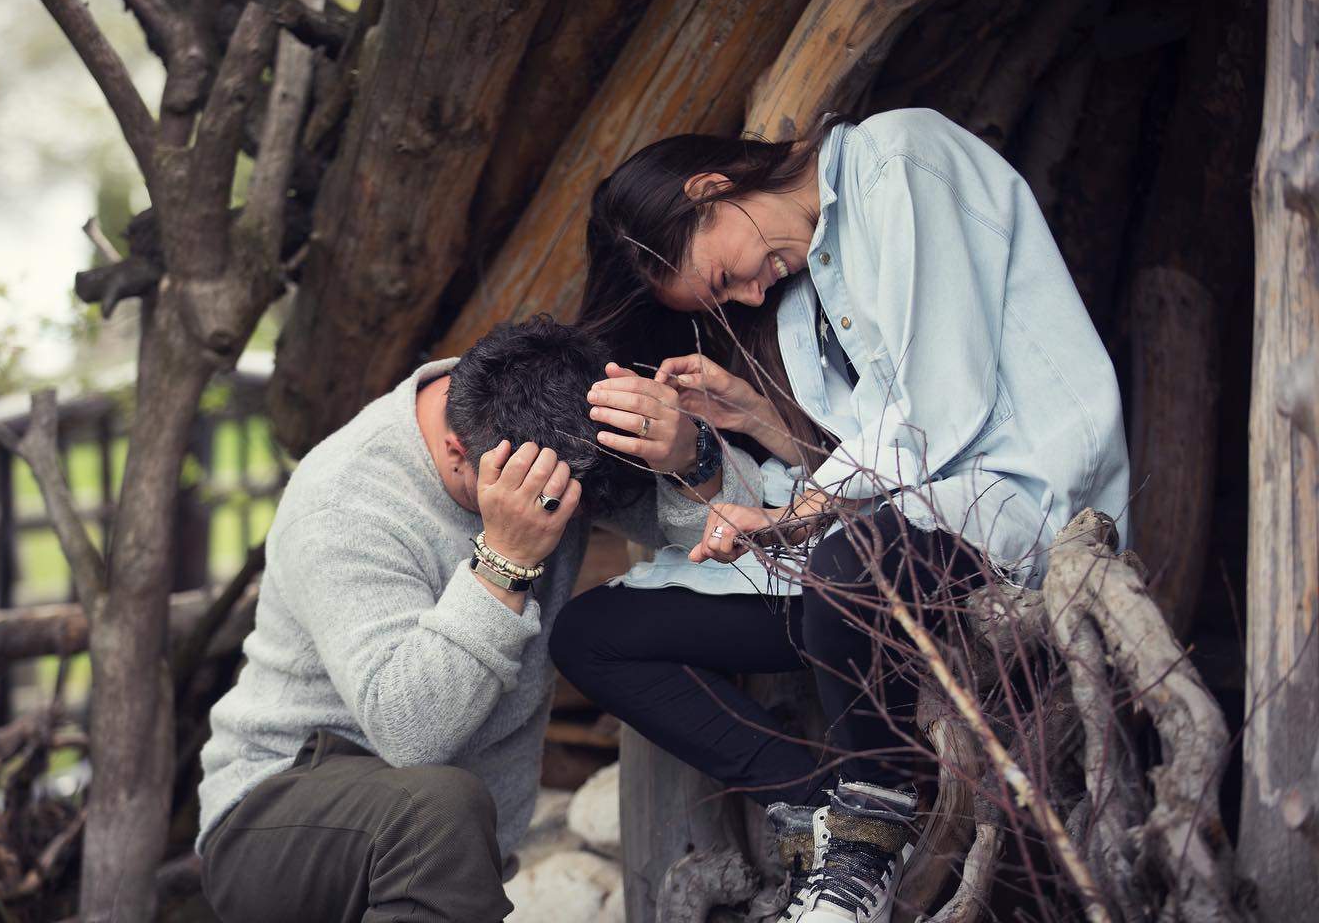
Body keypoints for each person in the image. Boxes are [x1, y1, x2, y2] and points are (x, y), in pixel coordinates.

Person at [551, 107, 1130, 922]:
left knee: (844, 562)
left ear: (712, 188)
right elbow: (866, 458)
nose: (751, 290)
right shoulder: (805, 290)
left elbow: (938, 416)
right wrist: (758, 425)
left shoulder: (902, 159)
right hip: (877, 548)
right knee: (592, 635)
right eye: (729, 294)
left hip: (1013, 505)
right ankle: (827, 812)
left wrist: (796, 516)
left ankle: (867, 839)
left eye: (724, 277)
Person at [195, 315, 765, 923]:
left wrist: (691, 455)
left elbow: (736, 533)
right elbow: (411, 735)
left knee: (441, 814)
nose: (557, 509)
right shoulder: (344, 505)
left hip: (435, 845)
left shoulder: (547, 420)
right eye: (543, 499)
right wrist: (506, 560)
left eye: (570, 498)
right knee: (439, 807)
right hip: (277, 816)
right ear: (454, 451)